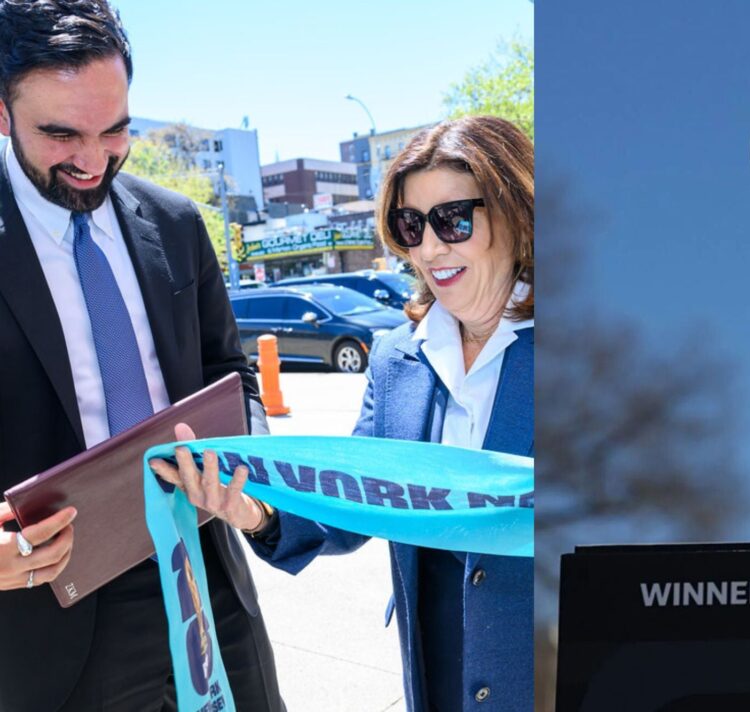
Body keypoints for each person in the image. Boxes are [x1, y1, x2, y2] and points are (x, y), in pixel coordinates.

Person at [155, 115, 535, 711]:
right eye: (410, 225)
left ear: (515, 213)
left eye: (453, 220)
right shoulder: (394, 359)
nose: (431, 247)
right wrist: (254, 513)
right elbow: (351, 500)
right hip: (439, 678)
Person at [0, 1, 284, 709]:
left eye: (115, 129)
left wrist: (244, 467)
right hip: (50, 620)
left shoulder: (177, 224)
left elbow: (232, 372)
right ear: (2, 112)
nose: (93, 161)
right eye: (61, 133)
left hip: (208, 576)